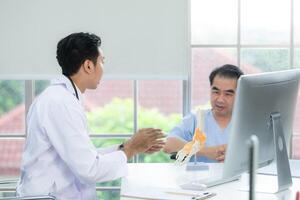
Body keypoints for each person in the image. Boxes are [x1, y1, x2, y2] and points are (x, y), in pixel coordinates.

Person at [16, 32, 164, 199]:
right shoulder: (60, 103)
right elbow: (89, 169)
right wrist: (130, 149)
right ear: (88, 65)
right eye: (102, 61)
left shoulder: (64, 98)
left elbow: (86, 157)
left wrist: (128, 146)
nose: (103, 68)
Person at [163, 64, 244, 163]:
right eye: (216, 92)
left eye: (228, 94)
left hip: (238, 178)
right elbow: (168, 145)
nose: (220, 99)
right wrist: (206, 151)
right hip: (198, 177)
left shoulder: (246, 123)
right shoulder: (195, 119)